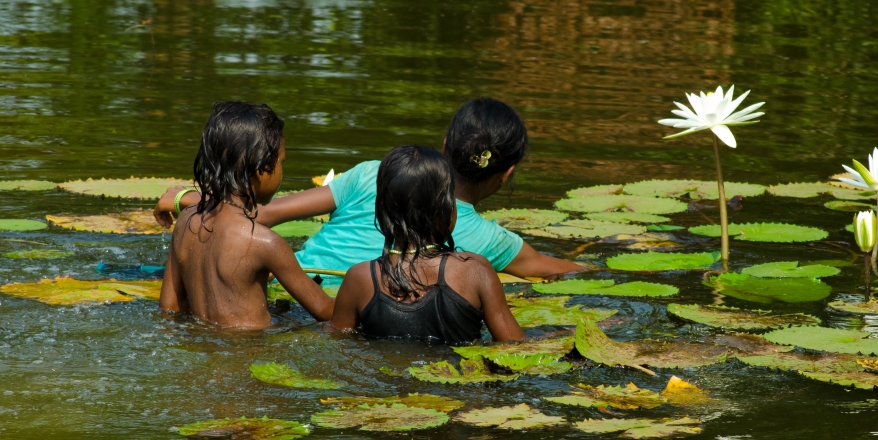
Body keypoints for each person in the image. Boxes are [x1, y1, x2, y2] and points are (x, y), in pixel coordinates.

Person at [154, 97, 583, 282]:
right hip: (348, 314)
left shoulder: (372, 173)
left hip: (285, 290)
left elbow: (260, 215)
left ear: (447, 144)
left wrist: (185, 198)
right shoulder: (491, 241)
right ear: (506, 174)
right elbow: (555, 270)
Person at [158, 102, 333, 329]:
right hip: (250, 357)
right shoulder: (265, 242)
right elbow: (327, 311)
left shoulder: (185, 221)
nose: (281, 171)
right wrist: (363, 289)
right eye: (281, 162)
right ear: (262, 170)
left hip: (200, 350)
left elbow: (169, 307)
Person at [330, 145, 524, 344]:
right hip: (460, 374)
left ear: (382, 210)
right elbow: (515, 345)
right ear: (446, 207)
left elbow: (336, 340)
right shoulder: (475, 271)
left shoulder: (359, 279)